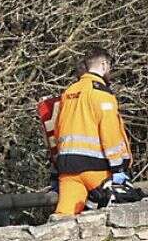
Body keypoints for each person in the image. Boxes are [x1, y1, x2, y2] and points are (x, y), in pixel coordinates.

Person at [53, 48, 132, 216]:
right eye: (109, 66)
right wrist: (119, 168)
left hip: (68, 168)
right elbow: (110, 132)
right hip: (97, 168)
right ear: (104, 65)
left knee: (63, 217)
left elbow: (58, 127)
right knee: (119, 212)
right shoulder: (101, 94)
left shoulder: (69, 92)